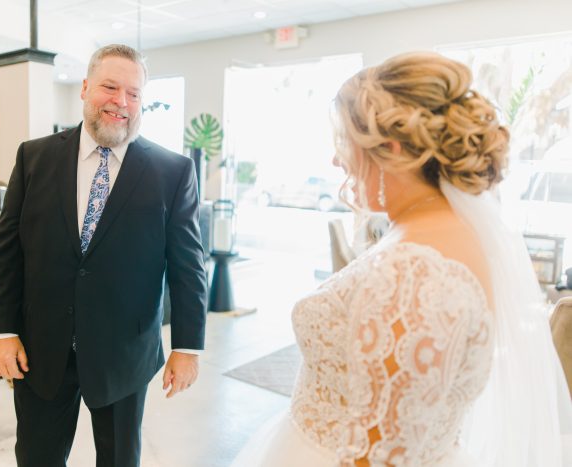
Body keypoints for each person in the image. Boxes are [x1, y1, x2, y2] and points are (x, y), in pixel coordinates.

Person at [232, 52, 572, 466]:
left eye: (344, 143)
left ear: (390, 149)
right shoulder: (433, 231)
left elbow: (380, 457)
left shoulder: (416, 272)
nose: (336, 160)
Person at [0, 44, 207, 467]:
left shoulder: (172, 173)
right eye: (110, 86)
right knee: (36, 457)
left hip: (124, 352)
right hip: (41, 349)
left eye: (134, 93)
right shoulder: (34, 157)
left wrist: (188, 347)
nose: (121, 101)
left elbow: (188, 266)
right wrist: (0, 331)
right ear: (86, 88)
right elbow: (7, 249)